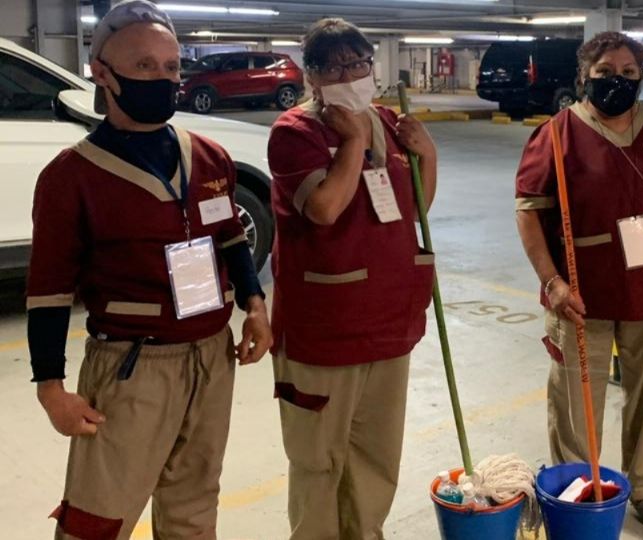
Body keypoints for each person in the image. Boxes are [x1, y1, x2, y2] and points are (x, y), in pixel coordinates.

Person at [27, 2, 272, 538]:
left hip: (212, 356)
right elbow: (46, 292)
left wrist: (254, 306)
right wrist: (51, 389)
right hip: (133, 367)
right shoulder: (72, 178)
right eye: (143, 67)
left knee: (194, 503)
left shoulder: (207, 157)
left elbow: (229, 234)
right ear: (102, 73)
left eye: (171, 67)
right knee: (98, 516)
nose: (162, 80)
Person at [515, 32, 643, 533]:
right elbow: (529, 213)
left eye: (627, 72)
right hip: (582, 295)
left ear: (641, 76)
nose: (616, 81)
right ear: (584, 76)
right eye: (604, 73)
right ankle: (578, 489)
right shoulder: (556, 134)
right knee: (576, 401)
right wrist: (552, 282)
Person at [267, 18, 437, 540]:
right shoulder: (295, 133)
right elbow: (324, 208)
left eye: (358, 62)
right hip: (325, 333)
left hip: (391, 323)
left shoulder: (390, 123)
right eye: (333, 65)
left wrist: (426, 154)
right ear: (310, 75)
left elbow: (416, 209)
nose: (350, 73)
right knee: (319, 461)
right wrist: (352, 141)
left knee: (375, 457)